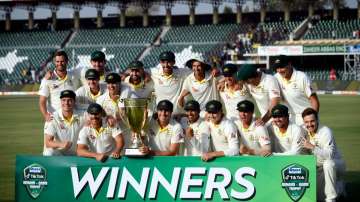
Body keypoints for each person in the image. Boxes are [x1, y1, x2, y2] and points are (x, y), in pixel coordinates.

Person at [301, 108, 346, 202]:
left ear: (317, 120)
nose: (309, 124)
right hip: (318, 165)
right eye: (306, 122)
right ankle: (339, 188)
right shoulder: (303, 130)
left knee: (328, 164)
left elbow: (329, 155)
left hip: (335, 164)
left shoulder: (325, 131)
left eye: (312, 121)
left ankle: (331, 199)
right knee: (319, 198)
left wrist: (312, 147)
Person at [272, 55, 320, 125]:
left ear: (290, 64)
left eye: (282, 67)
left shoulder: (303, 77)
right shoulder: (275, 77)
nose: (279, 70)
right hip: (288, 119)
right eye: (277, 68)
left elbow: (315, 101)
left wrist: (311, 119)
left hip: (306, 118)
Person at [43, 90, 85, 156]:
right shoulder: (53, 117)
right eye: (63, 100)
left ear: (74, 102)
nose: (66, 103)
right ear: (60, 101)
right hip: (61, 155)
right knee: (48, 152)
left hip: (78, 154)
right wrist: (60, 144)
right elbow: (48, 142)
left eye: (70, 100)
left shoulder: (83, 115)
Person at [38, 50, 77, 122]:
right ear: (54, 62)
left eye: (62, 61)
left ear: (67, 61)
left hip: (72, 118)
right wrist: (46, 115)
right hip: (55, 118)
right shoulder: (47, 79)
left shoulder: (74, 76)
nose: (60, 63)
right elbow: (42, 101)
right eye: (57, 61)